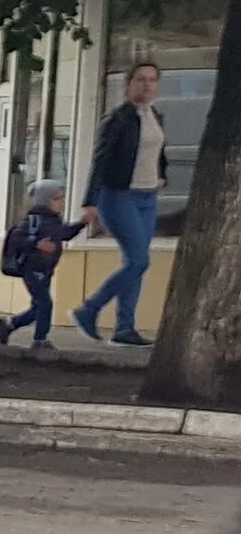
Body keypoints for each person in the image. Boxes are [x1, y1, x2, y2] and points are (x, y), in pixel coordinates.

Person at [75, 58, 167, 345]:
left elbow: (157, 151)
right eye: (141, 79)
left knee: (135, 263)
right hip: (118, 196)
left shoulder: (155, 115)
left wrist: (162, 174)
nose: (147, 84)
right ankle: (89, 309)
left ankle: (124, 328)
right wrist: (90, 201)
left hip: (147, 197)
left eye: (152, 79)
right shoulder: (118, 119)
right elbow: (100, 160)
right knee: (139, 261)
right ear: (129, 84)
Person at [0, 179, 73, 351]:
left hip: (46, 270)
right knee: (45, 303)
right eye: (56, 198)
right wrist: (37, 245)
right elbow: (15, 239)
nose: (61, 203)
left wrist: (84, 223)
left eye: (62, 198)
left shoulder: (55, 221)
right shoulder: (32, 220)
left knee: (38, 307)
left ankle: (8, 324)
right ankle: (40, 340)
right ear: (45, 200)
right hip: (32, 268)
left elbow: (66, 234)